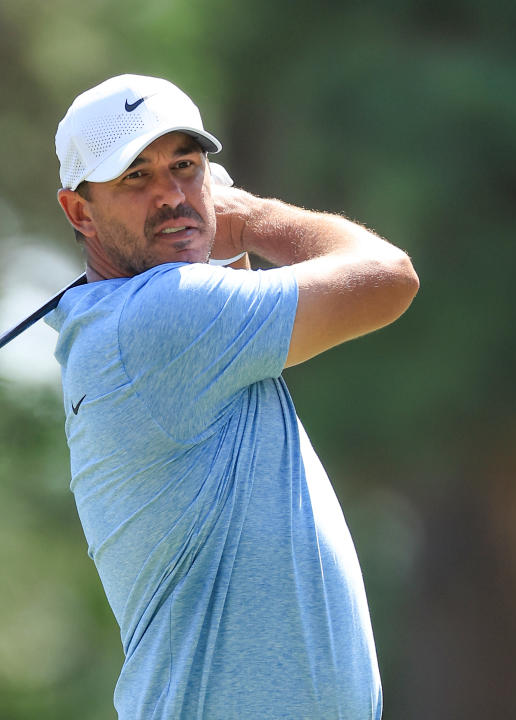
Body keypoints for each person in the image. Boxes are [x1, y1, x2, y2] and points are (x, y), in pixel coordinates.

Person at [45, 74, 418, 719]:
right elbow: (388, 278)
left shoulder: (137, 323)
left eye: (186, 166)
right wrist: (250, 220)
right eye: (135, 176)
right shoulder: (161, 320)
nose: (171, 195)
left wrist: (219, 242)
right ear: (80, 212)